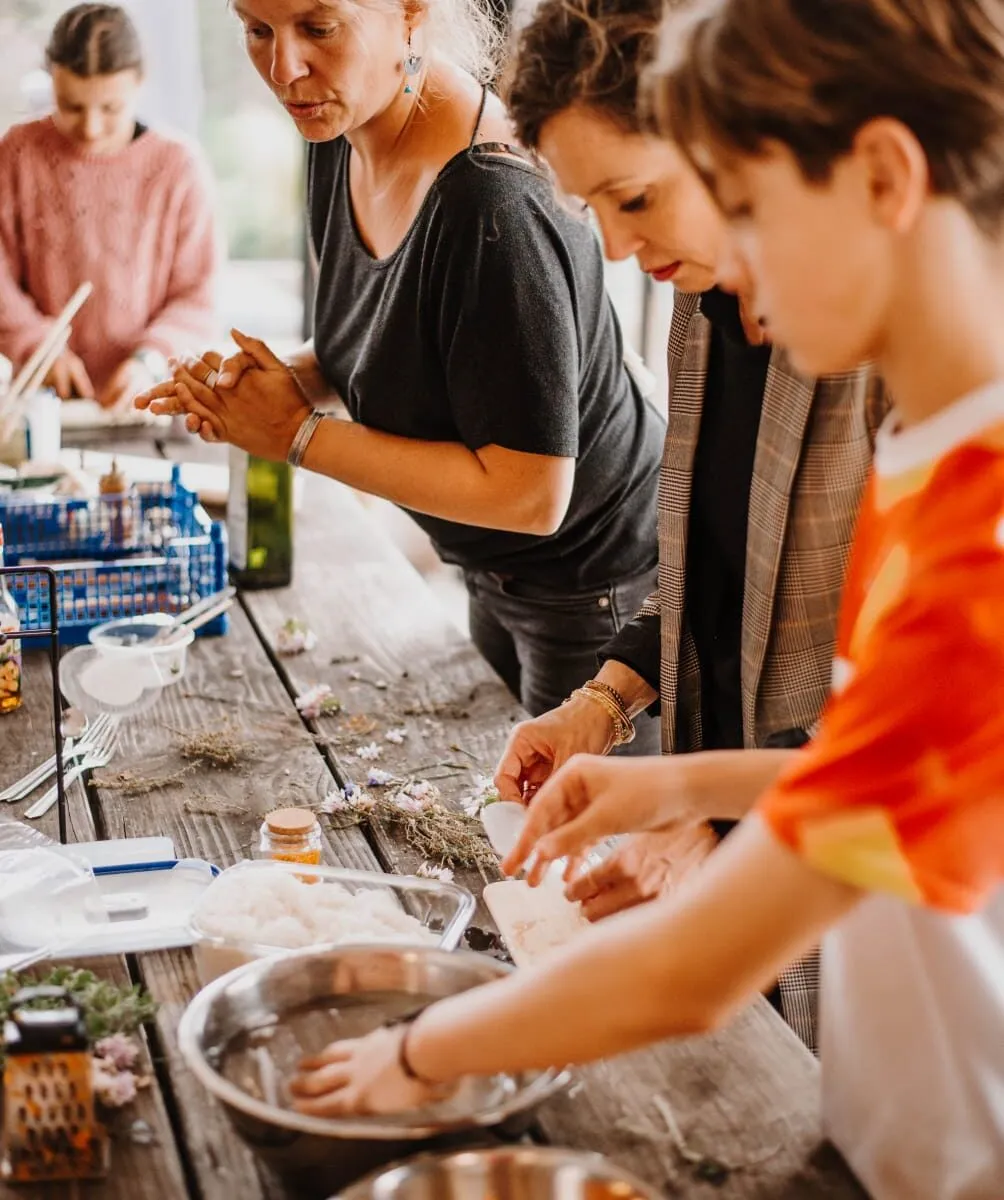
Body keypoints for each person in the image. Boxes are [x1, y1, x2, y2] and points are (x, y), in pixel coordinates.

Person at [285, 2, 1004, 1196]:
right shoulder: (932, 460)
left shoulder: (978, 531)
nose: (727, 259)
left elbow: (695, 973)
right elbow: (909, 781)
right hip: (889, 1129)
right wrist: (678, 778)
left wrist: (421, 1048)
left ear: (880, 173)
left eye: (746, 200)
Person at [492, 0, 887, 1048]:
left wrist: (716, 819)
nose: (619, 249)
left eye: (634, 197)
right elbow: (704, 560)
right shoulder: (701, 301)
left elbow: (921, 718)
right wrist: (606, 700)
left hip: (862, 878)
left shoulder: (893, 340)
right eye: (592, 213)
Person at [134, 0, 665, 735]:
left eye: (317, 28)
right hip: (486, 564)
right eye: (257, 30)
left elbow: (532, 494)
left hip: (594, 584)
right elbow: (380, 341)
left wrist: (297, 436)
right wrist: (262, 390)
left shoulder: (493, 202)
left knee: (569, 842)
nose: (284, 69)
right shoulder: (338, 120)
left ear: (412, 14)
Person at [0, 3, 217, 408]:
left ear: (140, 82)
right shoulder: (16, 153)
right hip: (43, 405)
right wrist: (34, 343)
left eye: (110, 109)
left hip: (152, 402)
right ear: (52, 84)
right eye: (71, 106)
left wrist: (150, 360)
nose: (91, 127)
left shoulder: (178, 167)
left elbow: (197, 296)